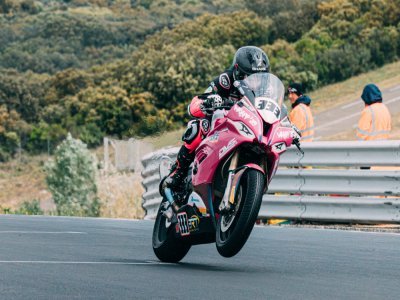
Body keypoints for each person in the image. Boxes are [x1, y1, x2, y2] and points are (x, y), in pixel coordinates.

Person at [164, 46, 270, 194]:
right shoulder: (226, 79)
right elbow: (198, 101)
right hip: (222, 123)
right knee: (201, 126)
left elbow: (272, 110)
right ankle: (178, 171)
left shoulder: (266, 90)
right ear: (238, 71)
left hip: (248, 129)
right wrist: (209, 101)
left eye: (259, 77)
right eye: (250, 76)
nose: (255, 81)